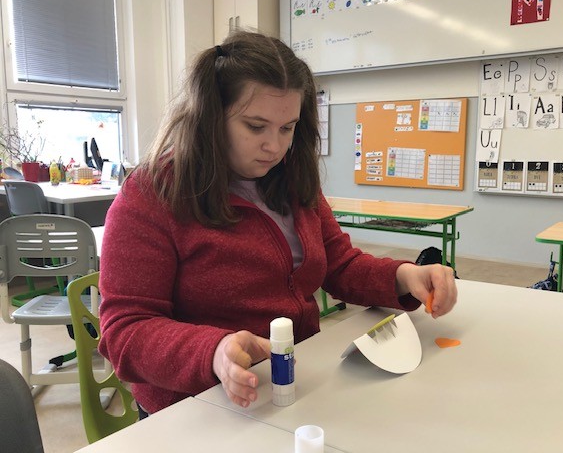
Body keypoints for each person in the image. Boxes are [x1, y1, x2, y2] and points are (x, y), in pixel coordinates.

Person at [98, 30, 458, 417]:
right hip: (198, 402)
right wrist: (214, 352)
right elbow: (125, 330)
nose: (275, 146)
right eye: (256, 127)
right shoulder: (152, 194)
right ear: (210, 118)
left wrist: (404, 276)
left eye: (287, 128)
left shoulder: (291, 178)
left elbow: (338, 264)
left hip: (297, 381)